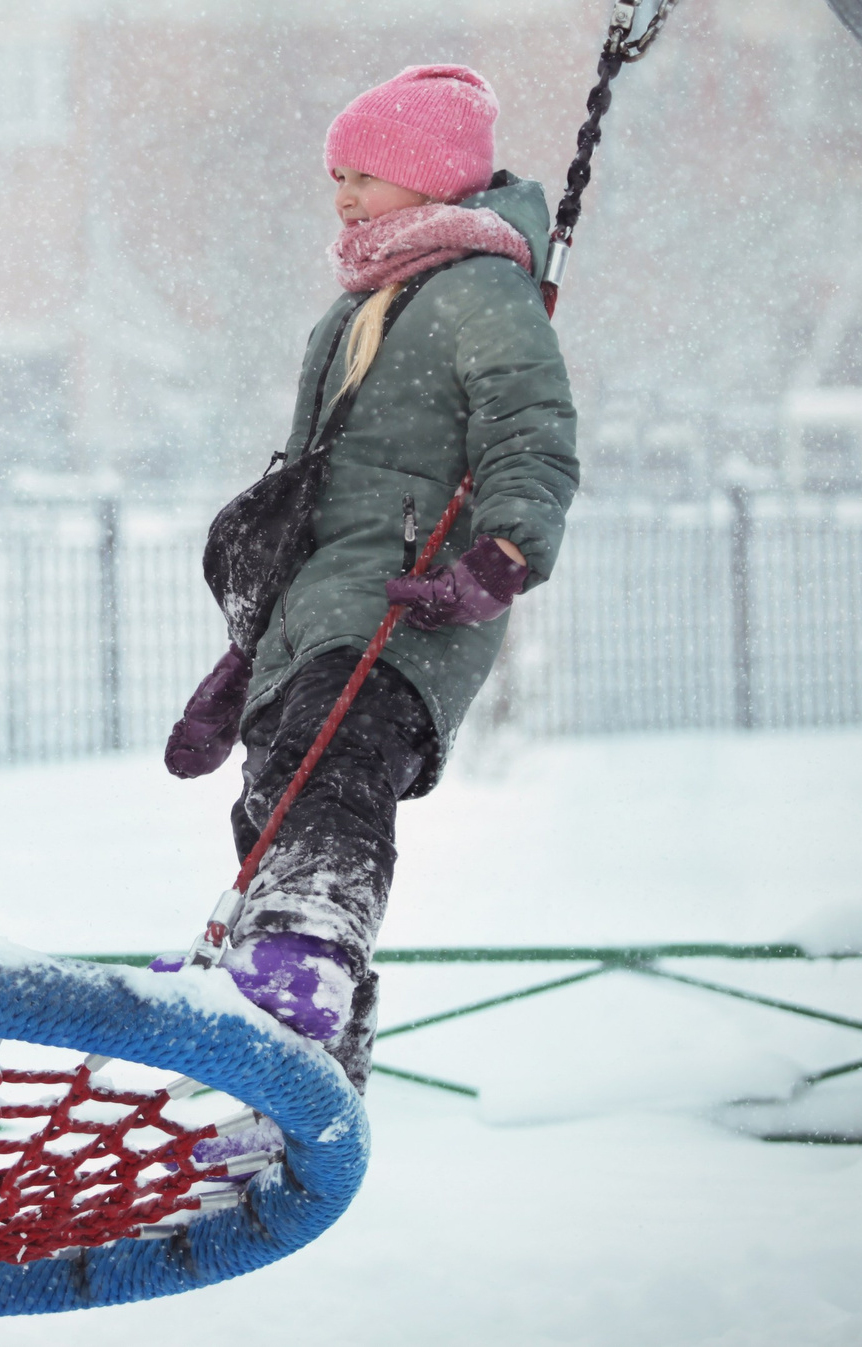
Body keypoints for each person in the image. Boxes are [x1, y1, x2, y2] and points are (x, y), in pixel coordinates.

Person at [165, 63, 579, 1088]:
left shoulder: (480, 289)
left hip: (410, 596)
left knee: (336, 763)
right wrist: (246, 658)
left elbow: (530, 428)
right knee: (274, 788)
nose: (343, 195)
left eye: (366, 174)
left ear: (433, 181)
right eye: (335, 176)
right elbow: (317, 493)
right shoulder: (359, 304)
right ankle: (300, 1010)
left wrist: (505, 550)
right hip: (320, 604)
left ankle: (307, 946)